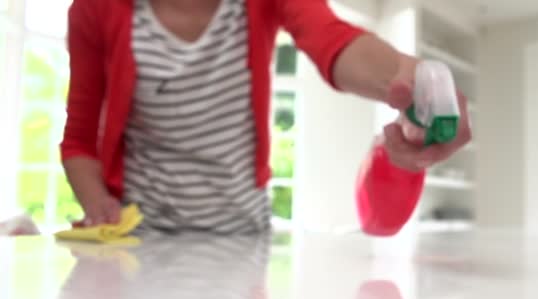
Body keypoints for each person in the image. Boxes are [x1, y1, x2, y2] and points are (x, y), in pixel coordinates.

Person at [61, 0, 472, 233]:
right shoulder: (94, 10)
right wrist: (98, 204)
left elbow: (332, 39)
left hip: (242, 234)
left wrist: (409, 82)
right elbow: (79, 140)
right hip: (141, 236)